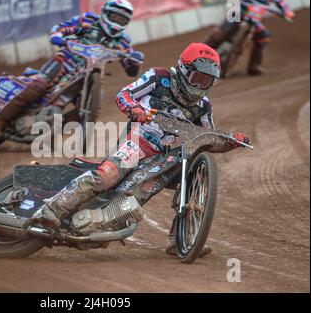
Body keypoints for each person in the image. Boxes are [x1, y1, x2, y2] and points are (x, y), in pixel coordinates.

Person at [30, 42, 250, 256]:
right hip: (138, 141)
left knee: (189, 178)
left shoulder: (204, 106)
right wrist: (134, 108)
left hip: (167, 156)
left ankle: (179, 240)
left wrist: (231, 141)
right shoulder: (159, 77)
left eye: (207, 81)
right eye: (198, 78)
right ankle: (50, 210)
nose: (201, 85)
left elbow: (206, 138)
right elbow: (123, 95)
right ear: (184, 70)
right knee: (106, 177)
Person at [0, 0, 143, 139]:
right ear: (105, 13)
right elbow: (63, 27)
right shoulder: (88, 21)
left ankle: (50, 131)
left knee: (86, 108)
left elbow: (131, 68)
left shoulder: (123, 42)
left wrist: (135, 61)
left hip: (86, 77)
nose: (117, 22)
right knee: (39, 86)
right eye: (115, 16)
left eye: (122, 19)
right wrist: (58, 36)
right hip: (64, 62)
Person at [204, 0, 294, 75]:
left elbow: (282, 3)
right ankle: (200, 53)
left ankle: (254, 66)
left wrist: (287, 12)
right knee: (221, 33)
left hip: (255, 16)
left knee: (263, 36)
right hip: (240, 10)